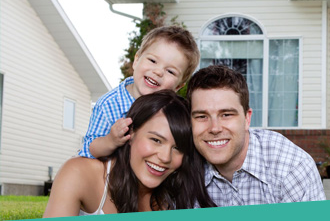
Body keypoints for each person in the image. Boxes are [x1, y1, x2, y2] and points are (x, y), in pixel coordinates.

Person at [43, 90, 216, 217]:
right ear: (130, 133)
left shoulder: (173, 197)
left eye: (177, 148)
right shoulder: (79, 173)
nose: (165, 157)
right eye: (156, 140)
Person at [186, 65, 326, 206]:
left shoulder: (292, 168)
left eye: (226, 115)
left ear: (247, 118)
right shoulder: (182, 168)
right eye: (202, 116)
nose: (214, 128)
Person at [78, 25, 200, 159]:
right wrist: (110, 140)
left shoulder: (174, 113)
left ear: (179, 86)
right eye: (153, 61)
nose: (158, 72)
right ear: (136, 60)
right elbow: (88, 150)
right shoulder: (109, 105)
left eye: (170, 71)